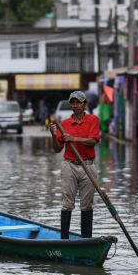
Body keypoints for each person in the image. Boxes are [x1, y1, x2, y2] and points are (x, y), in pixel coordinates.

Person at [49, 91, 100, 239]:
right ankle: (64, 239)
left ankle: (86, 240)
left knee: (87, 205)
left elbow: (93, 140)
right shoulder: (64, 124)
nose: (75, 106)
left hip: (87, 165)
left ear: (85, 105)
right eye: (73, 103)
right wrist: (53, 135)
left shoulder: (93, 120)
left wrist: (74, 138)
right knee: (67, 203)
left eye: (79, 103)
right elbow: (57, 148)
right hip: (69, 165)